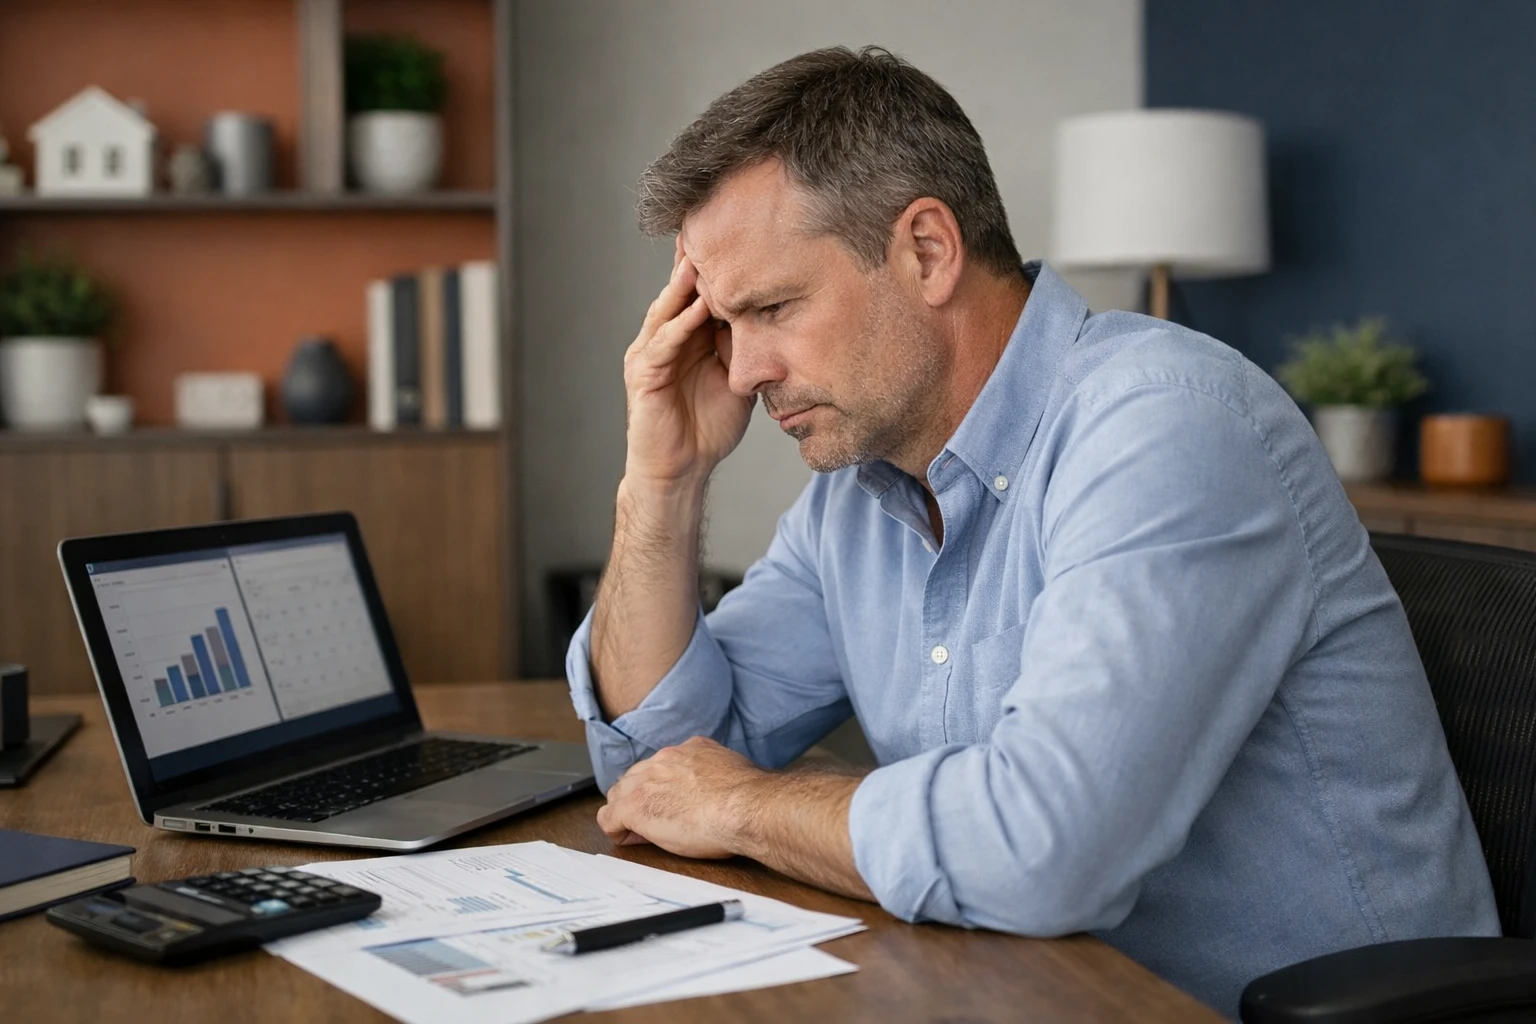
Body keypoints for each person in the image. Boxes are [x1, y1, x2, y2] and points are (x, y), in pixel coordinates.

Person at [564, 45, 1498, 1015]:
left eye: (772, 308)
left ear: (926, 249)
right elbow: (653, 768)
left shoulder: (1167, 423)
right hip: (1029, 991)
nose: (745, 369)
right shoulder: (861, 490)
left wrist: (749, 803)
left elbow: (1040, 851)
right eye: (722, 325)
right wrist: (661, 481)